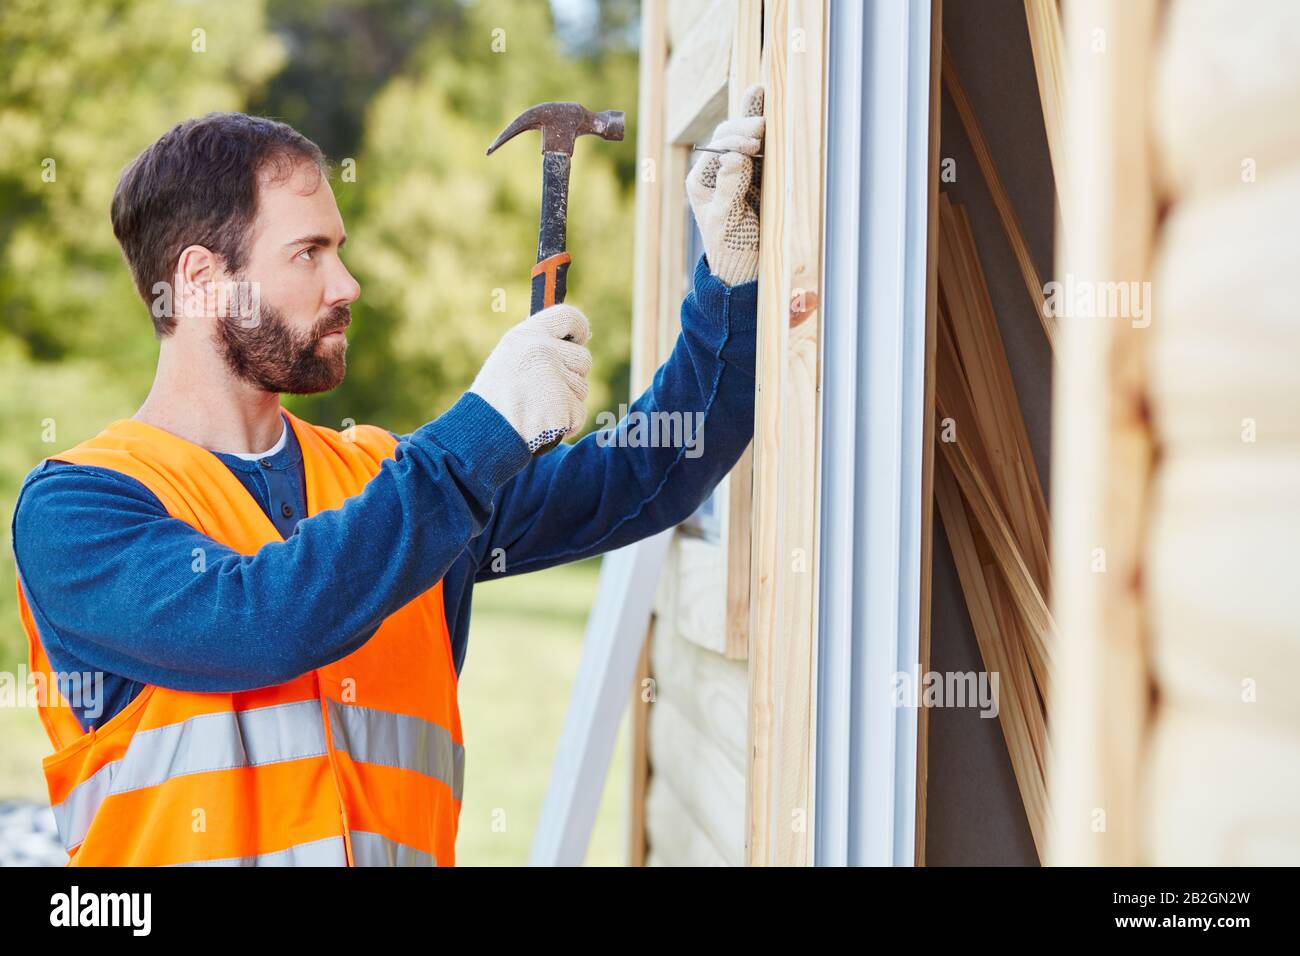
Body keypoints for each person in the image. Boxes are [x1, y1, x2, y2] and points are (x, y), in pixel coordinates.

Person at [9, 87, 766, 867]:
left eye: (338, 248)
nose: (347, 286)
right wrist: (485, 427)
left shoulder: (389, 480)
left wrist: (731, 281)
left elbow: (648, 474)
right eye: (308, 253)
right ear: (201, 279)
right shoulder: (75, 510)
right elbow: (263, 621)